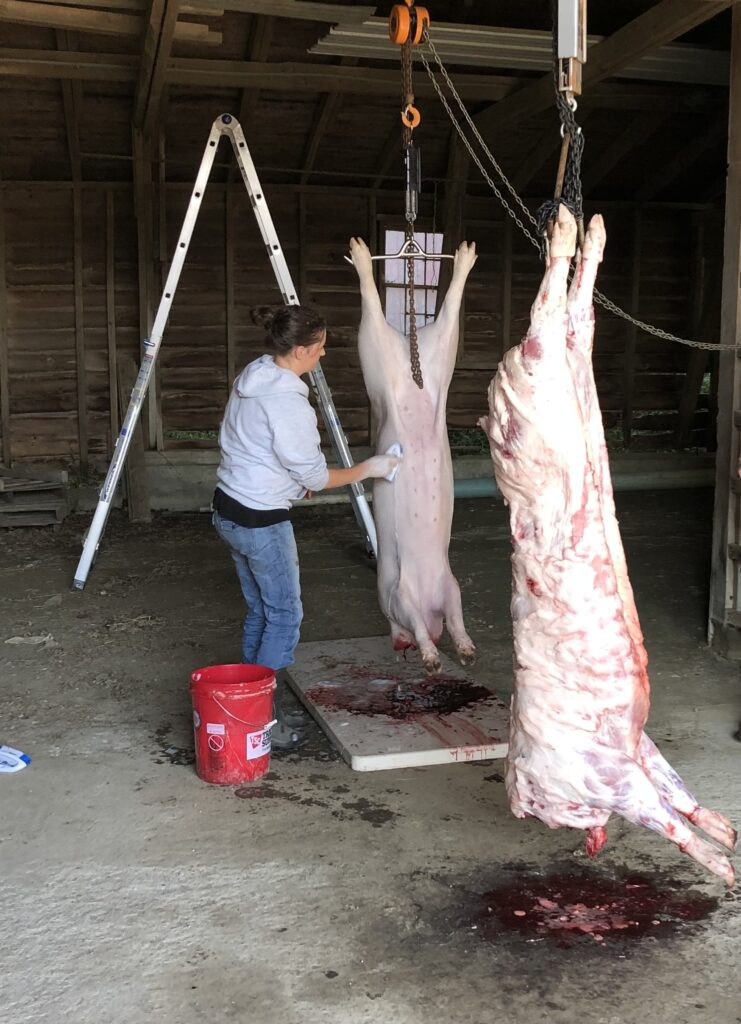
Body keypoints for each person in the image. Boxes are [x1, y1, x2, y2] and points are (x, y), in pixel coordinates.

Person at [213, 304, 400, 749]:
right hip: (260, 519)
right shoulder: (288, 404)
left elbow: (257, 450)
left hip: (229, 506)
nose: (323, 356)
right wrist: (369, 468)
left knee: (263, 610)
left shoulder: (255, 375)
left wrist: (292, 482)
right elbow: (315, 476)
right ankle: (262, 718)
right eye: (320, 349)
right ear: (300, 350)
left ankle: (249, 699)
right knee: (285, 616)